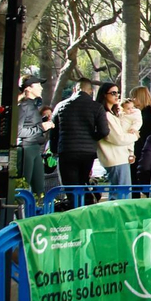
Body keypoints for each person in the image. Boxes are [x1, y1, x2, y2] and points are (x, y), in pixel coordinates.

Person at [52, 78, 107, 189]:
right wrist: (92, 139)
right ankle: (83, 204)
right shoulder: (97, 107)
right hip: (87, 152)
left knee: (69, 185)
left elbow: (54, 130)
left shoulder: (61, 106)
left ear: (74, 89)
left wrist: (54, 150)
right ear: (91, 91)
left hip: (66, 150)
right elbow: (104, 131)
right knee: (83, 183)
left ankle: (73, 204)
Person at [96, 82, 140, 186]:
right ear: (104, 94)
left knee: (121, 194)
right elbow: (118, 138)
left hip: (118, 157)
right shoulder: (106, 115)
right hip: (115, 158)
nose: (117, 95)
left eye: (118, 93)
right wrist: (135, 136)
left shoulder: (113, 114)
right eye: (113, 93)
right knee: (121, 196)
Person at [16, 76, 51, 205]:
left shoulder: (31, 105)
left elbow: (30, 126)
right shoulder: (23, 106)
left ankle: (37, 215)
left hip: (35, 149)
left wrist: (42, 125)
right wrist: (42, 127)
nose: (41, 87)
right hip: (26, 149)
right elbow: (18, 131)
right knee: (22, 188)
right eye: (38, 85)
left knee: (39, 189)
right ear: (29, 88)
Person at [129, 86, 151, 187]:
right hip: (143, 148)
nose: (132, 100)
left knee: (136, 176)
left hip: (141, 147)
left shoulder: (147, 113)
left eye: (134, 97)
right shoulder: (149, 112)